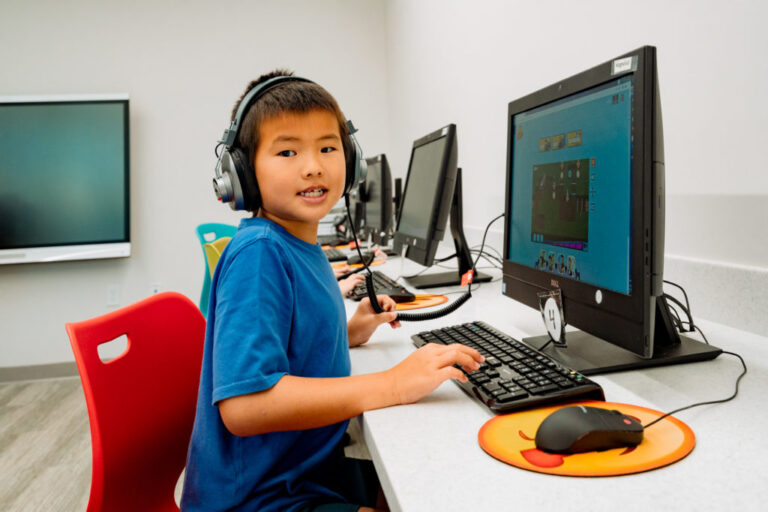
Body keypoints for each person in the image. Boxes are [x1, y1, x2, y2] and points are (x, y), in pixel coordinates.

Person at [181, 70, 483, 512]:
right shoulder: (260, 254)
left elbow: (288, 346)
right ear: (241, 173)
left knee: (436, 478)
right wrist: (392, 383)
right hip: (257, 501)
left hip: (300, 475)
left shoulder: (300, 245)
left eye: (327, 147)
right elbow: (244, 407)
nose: (313, 165)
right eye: (287, 151)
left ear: (351, 160)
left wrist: (347, 333)